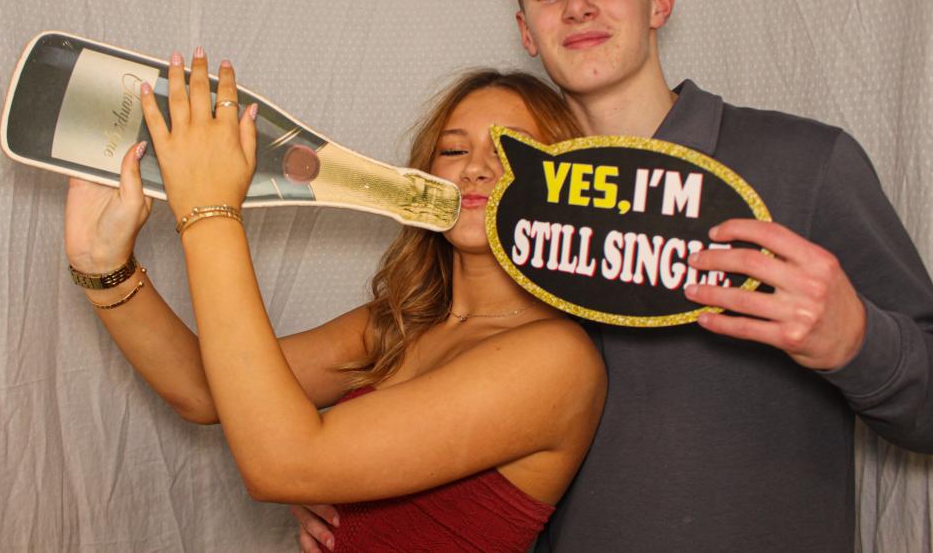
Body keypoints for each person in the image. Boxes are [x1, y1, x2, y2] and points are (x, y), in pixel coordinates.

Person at [297, 0, 933, 552]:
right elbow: (441, 408)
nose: (577, 6)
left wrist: (859, 342)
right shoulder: (495, 205)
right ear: (526, 31)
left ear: (659, 1)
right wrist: (340, 478)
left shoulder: (806, 163)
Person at [63, 58, 605, 552]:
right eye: (454, 150)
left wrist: (208, 210)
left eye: (510, 151)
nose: (477, 169)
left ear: (569, 186)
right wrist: (103, 265)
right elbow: (205, 390)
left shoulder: (556, 360)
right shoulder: (401, 323)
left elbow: (283, 464)